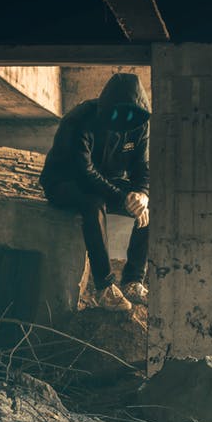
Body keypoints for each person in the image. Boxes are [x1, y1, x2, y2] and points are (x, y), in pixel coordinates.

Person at [39, 73, 152, 312]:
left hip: (106, 182)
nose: (123, 121)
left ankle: (133, 280)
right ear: (106, 107)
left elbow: (141, 166)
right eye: (116, 114)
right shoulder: (79, 120)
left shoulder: (140, 123)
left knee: (150, 207)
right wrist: (122, 197)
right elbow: (84, 172)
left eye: (130, 116)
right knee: (93, 203)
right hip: (65, 181)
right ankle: (104, 286)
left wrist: (141, 194)